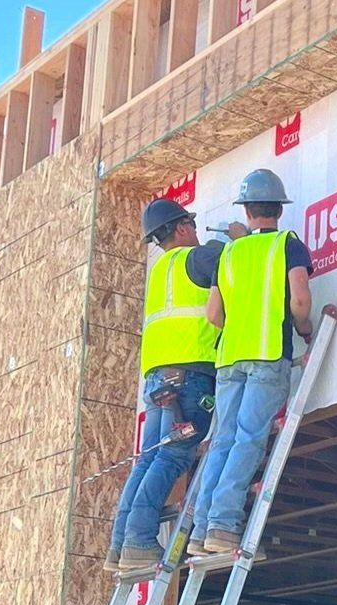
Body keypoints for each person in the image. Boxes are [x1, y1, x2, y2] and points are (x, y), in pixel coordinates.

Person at [190, 168, 314, 554]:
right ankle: (223, 524)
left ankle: (200, 531)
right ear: (279, 208)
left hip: (229, 361)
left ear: (246, 211)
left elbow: (214, 315)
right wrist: (305, 329)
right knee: (248, 439)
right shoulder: (286, 244)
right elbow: (299, 300)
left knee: (224, 439)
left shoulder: (227, 253)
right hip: (266, 357)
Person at [105, 199, 227, 570]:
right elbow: (235, 265)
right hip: (189, 378)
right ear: (180, 228)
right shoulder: (196, 259)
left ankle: (121, 544)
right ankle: (139, 539)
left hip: (160, 378)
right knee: (174, 455)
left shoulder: (159, 271)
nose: (195, 229)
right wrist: (234, 240)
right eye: (191, 223)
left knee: (148, 460)